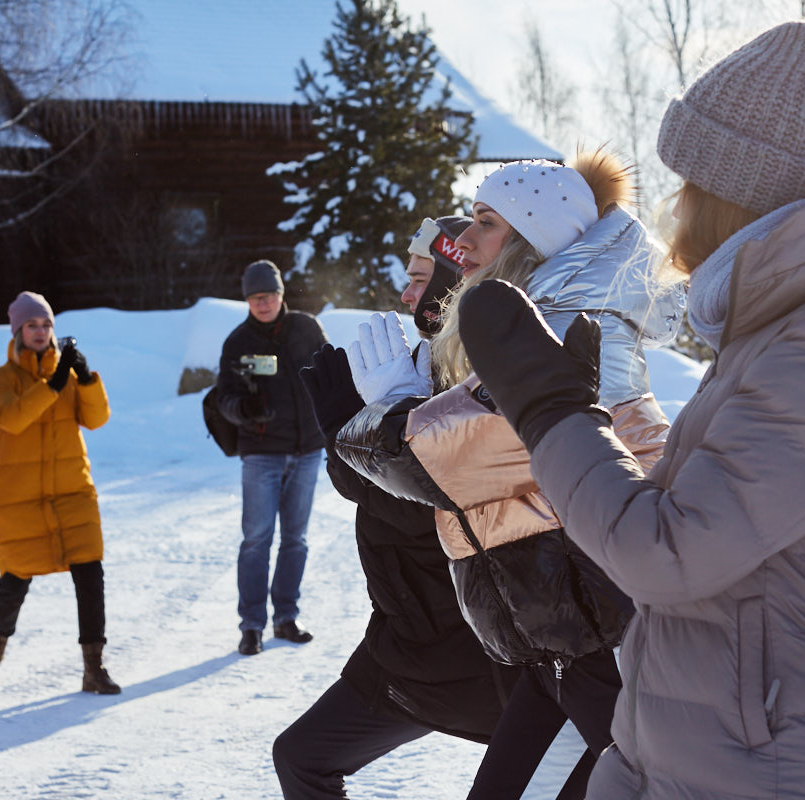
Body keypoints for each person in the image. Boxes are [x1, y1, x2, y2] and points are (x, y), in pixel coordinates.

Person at [455, 21, 805, 800]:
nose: (674, 209)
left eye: (690, 184)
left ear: (737, 196)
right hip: (707, 753)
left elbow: (666, 554)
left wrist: (553, 415)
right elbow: (693, 546)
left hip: (773, 772)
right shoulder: (782, 334)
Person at [335, 151, 684, 799]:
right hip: (565, 638)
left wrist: (394, 408)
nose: (461, 241)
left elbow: (437, 463)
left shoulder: (571, 333)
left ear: (531, 242)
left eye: (485, 223)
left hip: (605, 643)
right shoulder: (545, 323)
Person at [274, 217, 523, 799]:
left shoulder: (480, 379)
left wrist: (348, 435)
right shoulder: (414, 366)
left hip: (481, 656)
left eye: (419, 277)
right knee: (301, 757)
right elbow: (374, 484)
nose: (407, 293)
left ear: (454, 279)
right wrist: (351, 435)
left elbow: (430, 513)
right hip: (407, 648)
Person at [0, 291, 120, 695]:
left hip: (72, 491)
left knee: (90, 574)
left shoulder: (70, 375)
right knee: (15, 578)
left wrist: (87, 379)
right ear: (18, 331)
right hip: (19, 497)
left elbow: (97, 419)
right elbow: (12, 419)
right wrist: (53, 385)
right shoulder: (1, 378)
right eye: (31, 325)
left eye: (45, 325)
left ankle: (94, 668)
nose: (40, 332)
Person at [216, 260, 327, 656]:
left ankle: (286, 617)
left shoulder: (306, 328)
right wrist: (244, 409)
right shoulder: (238, 342)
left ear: (281, 295)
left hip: (308, 450)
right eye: (254, 298)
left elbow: (330, 374)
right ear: (247, 300)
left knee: (295, 540)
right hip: (261, 455)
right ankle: (251, 625)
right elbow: (222, 397)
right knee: (256, 540)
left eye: (269, 296)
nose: (262, 303)